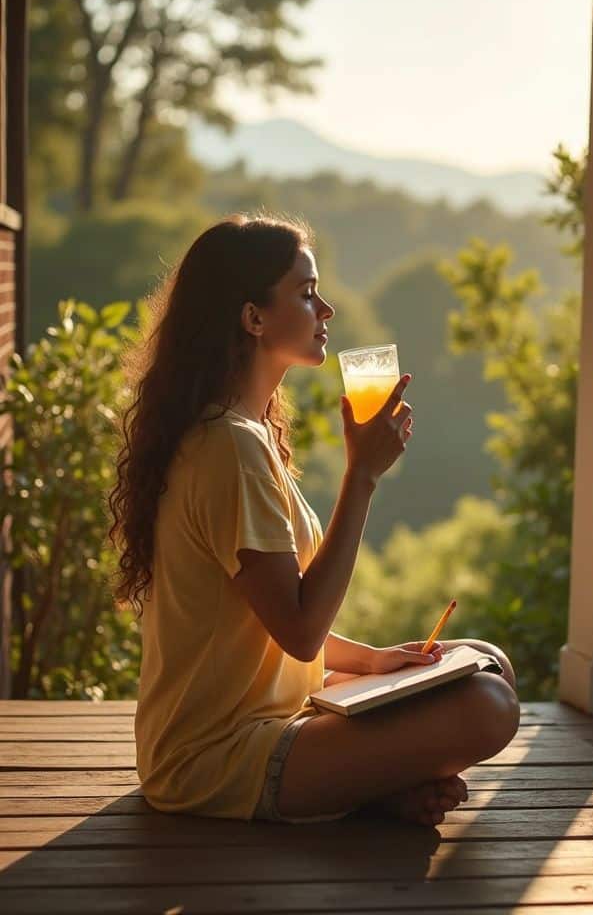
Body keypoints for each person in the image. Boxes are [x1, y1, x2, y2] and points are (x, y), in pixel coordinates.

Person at [108, 212, 520, 827]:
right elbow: (299, 632)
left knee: (486, 660)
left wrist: (374, 661)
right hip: (217, 760)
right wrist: (362, 478)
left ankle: (370, 786)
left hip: (286, 719)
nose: (325, 309)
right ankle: (369, 787)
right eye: (306, 293)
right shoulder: (228, 448)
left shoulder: (243, 434)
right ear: (253, 318)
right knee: (488, 704)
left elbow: (266, 624)